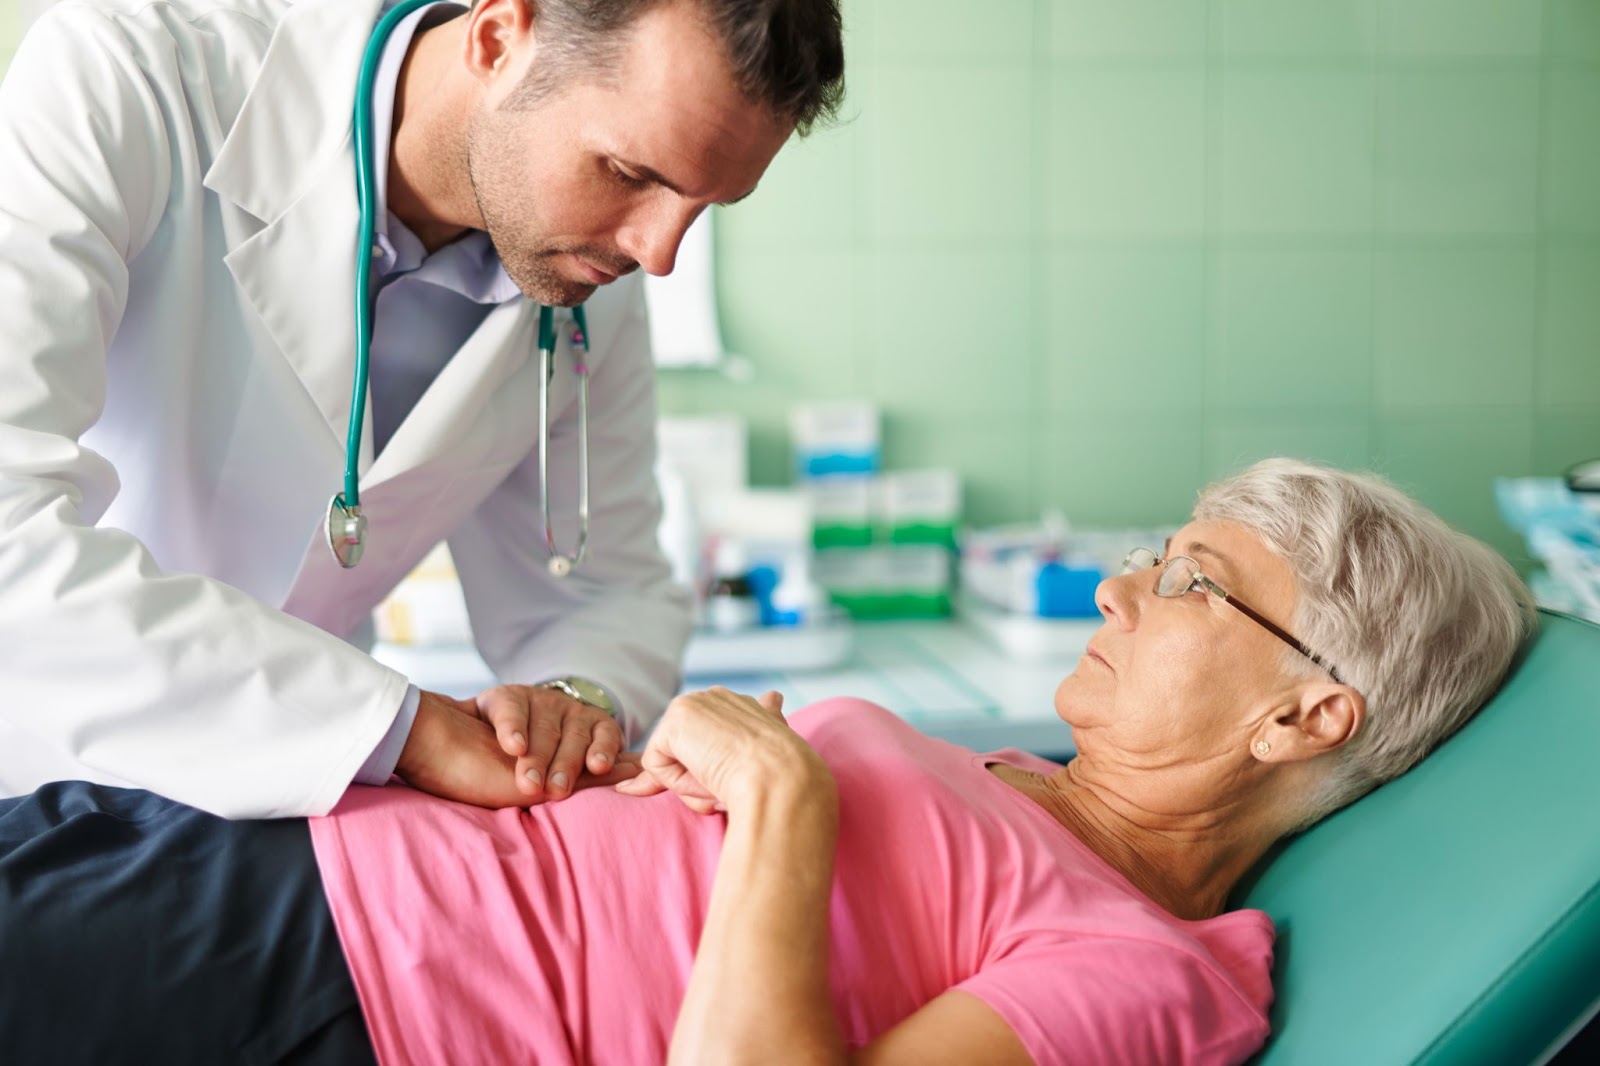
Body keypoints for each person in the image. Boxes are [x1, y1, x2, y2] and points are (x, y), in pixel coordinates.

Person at [0, 460, 1537, 1064]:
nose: (1125, 586)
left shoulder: (1154, 963)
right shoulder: (1015, 779)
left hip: (344, 986)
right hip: (292, 835)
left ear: (1305, 715)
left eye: (1193, 579)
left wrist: (782, 801)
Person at [0, 0, 844, 817]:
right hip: (36, 781)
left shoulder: (589, 282)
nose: (658, 253)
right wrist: (400, 729)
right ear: (498, 36)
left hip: (296, 833)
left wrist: (570, 703)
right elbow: (9, 538)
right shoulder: (125, 81)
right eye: (629, 174)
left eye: (701, 208)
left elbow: (598, 592)